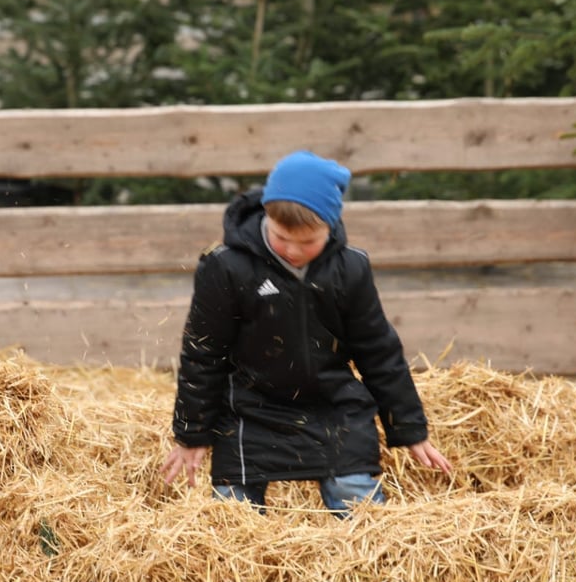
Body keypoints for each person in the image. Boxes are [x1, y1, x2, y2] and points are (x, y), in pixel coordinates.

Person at [161, 150, 452, 515]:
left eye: (308, 241)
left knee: (363, 517)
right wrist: (192, 433)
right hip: (249, 413)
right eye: (282, 237)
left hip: (334, 411)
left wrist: (410, 428)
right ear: (267, 215)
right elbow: (203, 354)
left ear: (330, 228)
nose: (294, 251)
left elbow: (378, 350)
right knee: (233, 523)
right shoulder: (226, 267)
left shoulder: (351, 269)